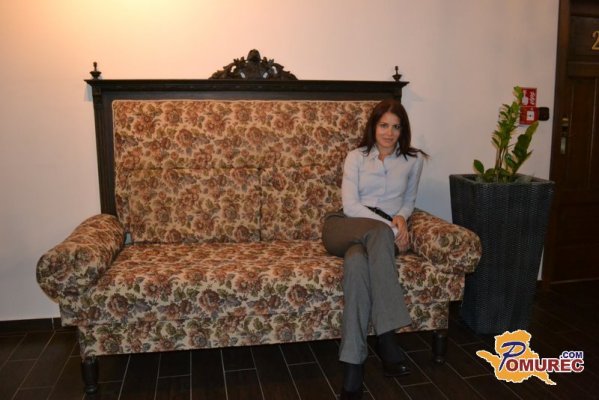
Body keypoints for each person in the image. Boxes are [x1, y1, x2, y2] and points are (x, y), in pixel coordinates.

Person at [321, 98, 427, 400]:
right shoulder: (356, 157)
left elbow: (409, 201)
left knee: (356, 263)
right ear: (373, 126)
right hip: (344, 227)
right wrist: (391, 228)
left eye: (396, 127)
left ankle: (353, 365)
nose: (389, 133)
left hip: (373, 242)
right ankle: (387, 339)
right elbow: (351, 206)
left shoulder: (413, 161)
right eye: (383, 125)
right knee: (376, 235)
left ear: (402, 130)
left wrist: (402, 217)